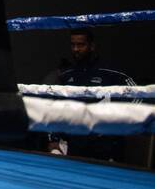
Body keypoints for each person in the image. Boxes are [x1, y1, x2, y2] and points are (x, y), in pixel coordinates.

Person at [45, 29, 136, 161]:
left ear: (92, 46)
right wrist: (53, 139)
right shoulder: (66, 75)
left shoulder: (112, 72)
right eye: (73, 45)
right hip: (76, 144)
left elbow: (139, 97)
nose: (76, 49)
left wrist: (118, 123)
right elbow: (56, 108)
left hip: (106, 145)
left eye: (81, 45)